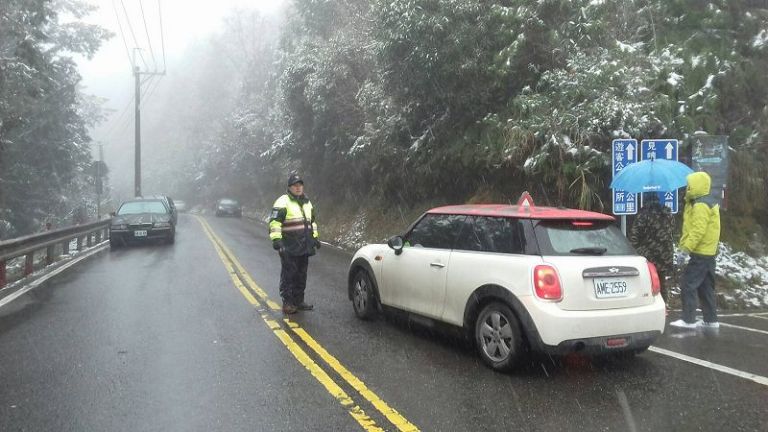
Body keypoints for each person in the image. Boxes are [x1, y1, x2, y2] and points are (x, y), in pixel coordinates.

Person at [669, 172, 721, 329]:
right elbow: (692, 229)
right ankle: (711, 320)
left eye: (690, 185)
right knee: (705, 288)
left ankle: (688, 319)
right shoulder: (704, 202)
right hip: (708, 253)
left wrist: (685, 250)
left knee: (688, 284)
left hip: (700, 252)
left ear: (697, 185)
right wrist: (683, 248)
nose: (688, 188)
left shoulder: (700, 205)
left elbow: (697, 230)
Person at [269, 173, 320, 314]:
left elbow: (312, 222)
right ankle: (288, 303)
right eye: (295, 185)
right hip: (288, 246)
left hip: (304, 246)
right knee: (288, 275)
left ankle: (299, 301)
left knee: (301, 274)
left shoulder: (307, 202)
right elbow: (274, 223)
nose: (298, 188)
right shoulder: (282, 202)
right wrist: (277, 241)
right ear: (289, 187)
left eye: (300, 185)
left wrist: (314, 238)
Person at [629, 193, 674, 304]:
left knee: (648, 281)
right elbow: (672, 229)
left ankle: (651, 304)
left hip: (649, 255)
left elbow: (634, 236)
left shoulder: (644, 214)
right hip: (665, 254)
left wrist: (637, 252)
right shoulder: (668, 213)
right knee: (661, 279)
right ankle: (664, 304)